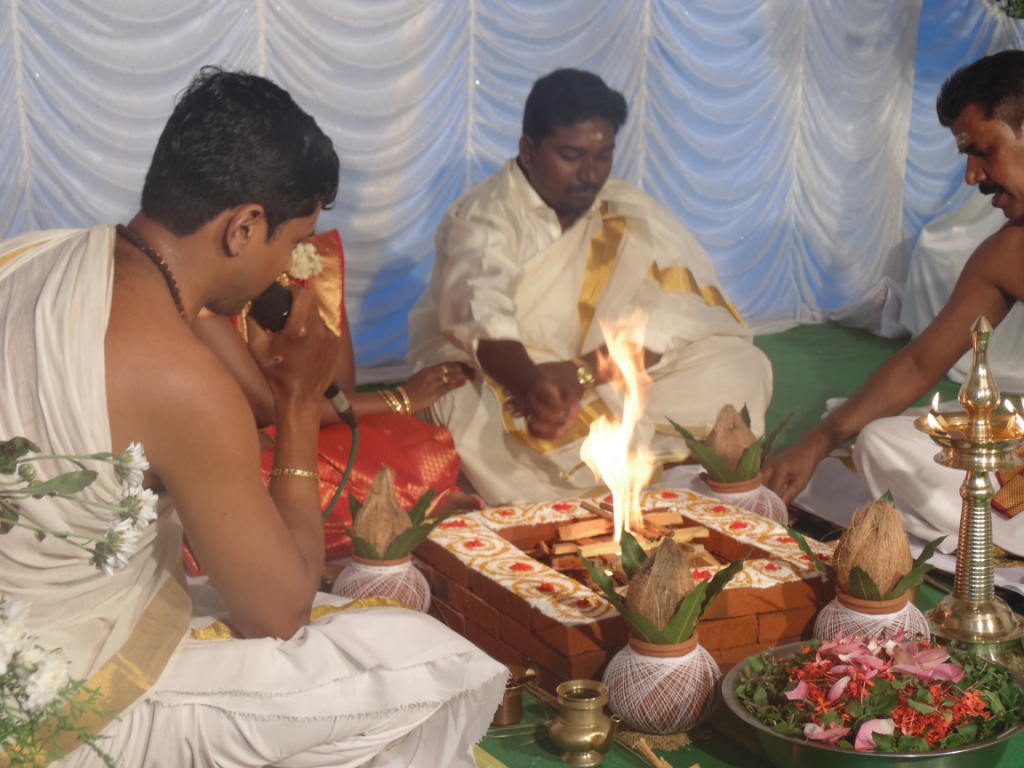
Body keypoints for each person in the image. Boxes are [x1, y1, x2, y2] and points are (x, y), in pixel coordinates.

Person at [0, 67, 505, 766]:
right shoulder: (182, 379)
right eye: (292, 244)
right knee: (430, 663)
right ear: (243, 227)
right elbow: (278, 614)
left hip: (32, 616)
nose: (287, 269)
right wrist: (297, 406)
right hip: (56, 700)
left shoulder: (30, 255)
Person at [409, 68, 772, 505]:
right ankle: (593, 495)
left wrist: (581, 372)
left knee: (741, 365)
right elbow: (482, 320)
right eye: (572, 155)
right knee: (459, 403)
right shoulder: (486, 218)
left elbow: (672, 316)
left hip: (593, 367)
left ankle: (638, 478)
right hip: (502, 373)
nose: (590, 173)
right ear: (529, 150)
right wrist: (533, 387)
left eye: (603, 156)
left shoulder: (622, 205)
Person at [763, 50, 1024, 557]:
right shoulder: (1007, 253)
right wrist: (818, 440)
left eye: (983, 152)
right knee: (882, 441)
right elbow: (922, 362)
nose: (972, 176)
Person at [191, 228, 478, 564]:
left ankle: (410, 511)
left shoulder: (315, 257)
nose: (298, 248)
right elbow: (266, 406)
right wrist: (400, 399)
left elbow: (341, 389)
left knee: (421, 445)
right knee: (243, 489)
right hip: (242, 442)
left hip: (310, 425)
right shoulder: (204, 277)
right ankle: (410, 514)